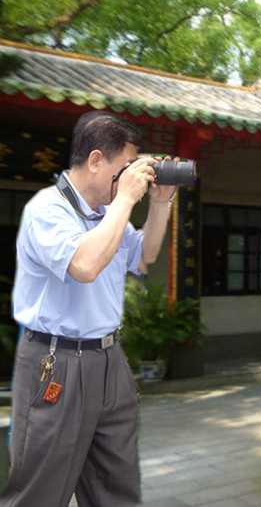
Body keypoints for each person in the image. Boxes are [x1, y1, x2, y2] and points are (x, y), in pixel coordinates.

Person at [2, 111, 176, 506]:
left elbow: (145, 255)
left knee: (116, 487)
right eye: (125, 167)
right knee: (40, 491)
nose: (131, 177)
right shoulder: (47, 209)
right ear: (96, 160)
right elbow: (84, 265)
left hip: (109, 358)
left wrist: (160, 203)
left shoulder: (108, 216)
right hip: (56, 361)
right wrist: (127, 199)